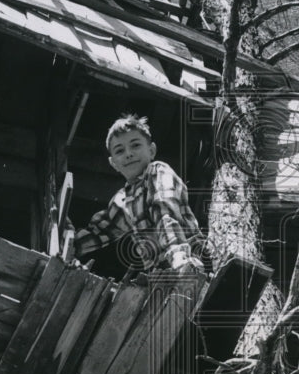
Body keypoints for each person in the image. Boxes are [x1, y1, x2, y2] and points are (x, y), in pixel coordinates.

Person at [73, 114, 206, 274]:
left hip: (190, 256)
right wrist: (72, 244)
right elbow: (101, 232)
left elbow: (165, 213)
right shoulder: (121, 201)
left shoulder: (157, 171)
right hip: (163, 271)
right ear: (113, 163)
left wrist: (179, 255)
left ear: (151, 151)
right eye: (120, 150)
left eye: (135, 145)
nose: (128, 153)